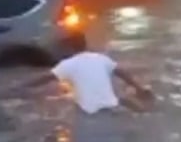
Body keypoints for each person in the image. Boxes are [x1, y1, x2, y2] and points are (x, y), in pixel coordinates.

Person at [22, 35, 154, 114]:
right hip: (112, 106)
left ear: (70, 48)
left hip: (90, 112)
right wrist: (139, 89)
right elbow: (123, 73)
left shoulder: (68, 64)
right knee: (122, 100)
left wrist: (22, 86)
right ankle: (146, 110)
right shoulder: (101, 58)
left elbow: (44, 78)